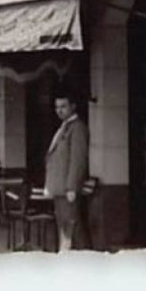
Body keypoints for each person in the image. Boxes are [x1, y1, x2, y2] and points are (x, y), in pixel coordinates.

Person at [44, 88, 90, 252]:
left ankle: (84, 262)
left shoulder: (77, 128)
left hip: (67, 189)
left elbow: (78, 159)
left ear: (73, 106)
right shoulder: (63, 128)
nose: (59, 110)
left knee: (72, 229)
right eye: (57, 107)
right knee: (64, 230)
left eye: (63, 106)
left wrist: (72, 187)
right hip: (58, 188)